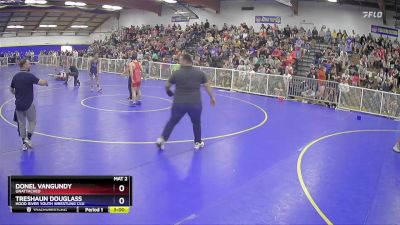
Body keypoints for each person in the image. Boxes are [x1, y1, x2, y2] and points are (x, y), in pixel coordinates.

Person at [156, 54, 216, 150]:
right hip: (195, 103)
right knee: (196, 123)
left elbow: (167, 85)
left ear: (185, 61)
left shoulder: (177, 73)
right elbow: (207, 85)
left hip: (179, 103)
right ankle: (197, 142)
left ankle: (162, 140)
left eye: (180, 60)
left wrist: (169, 92)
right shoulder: (199, 73)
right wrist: (212, 97)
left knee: (172, 121)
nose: (179, 62)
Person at [10, 59, 48, 151]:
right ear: (24, 65)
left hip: (18, 105)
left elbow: (11, 89)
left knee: (22, 124)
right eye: (28, 63)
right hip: (28, 104)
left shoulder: (15, 77)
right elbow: (41, 83)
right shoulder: (29, 76)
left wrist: (18, 94)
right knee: (32, 121)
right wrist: (46, 82)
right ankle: (28, 138)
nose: (30, 65)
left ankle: (24, 144)